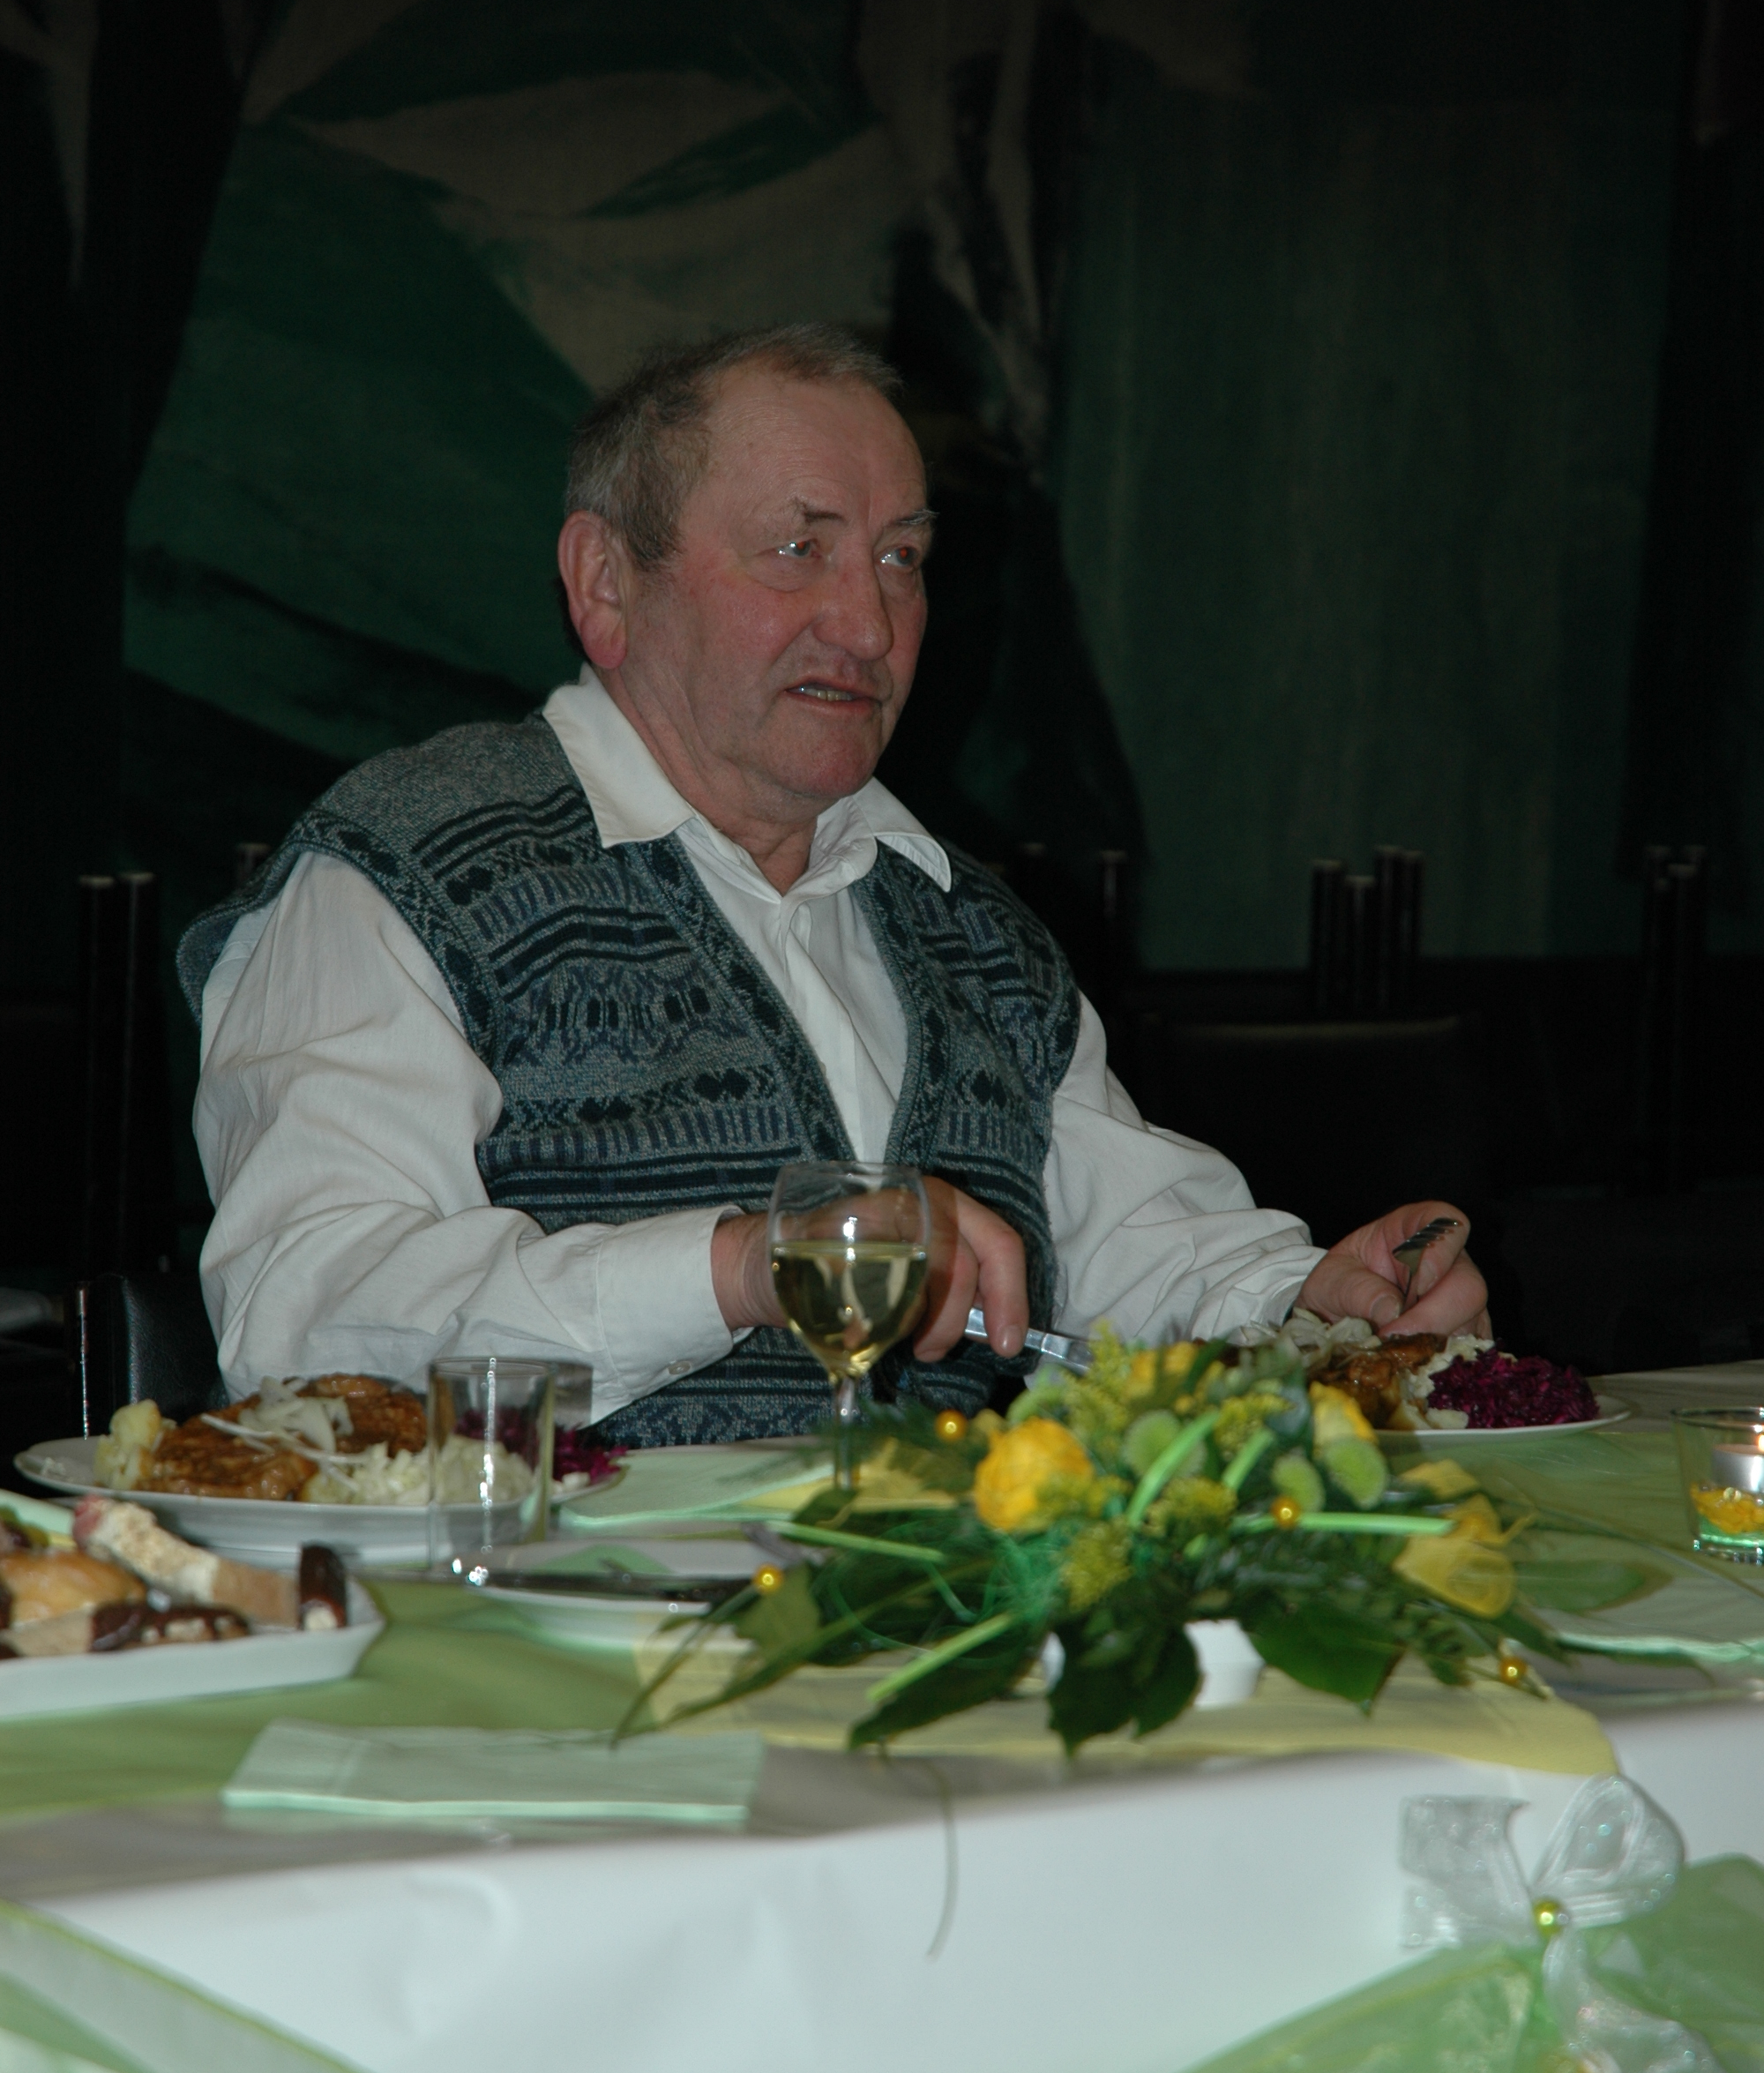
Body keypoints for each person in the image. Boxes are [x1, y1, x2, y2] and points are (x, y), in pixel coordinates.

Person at [180, 325, 1486, 1444]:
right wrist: (748, 1269)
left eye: (901, 558)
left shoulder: (973, 929)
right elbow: (305, 1322)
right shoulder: (406, 870)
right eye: (799, 549)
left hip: (943, 1619)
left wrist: (1312, 1307)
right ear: (605, 584)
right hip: (546, 1626)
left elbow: (1128, 1247)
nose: (870, 626)